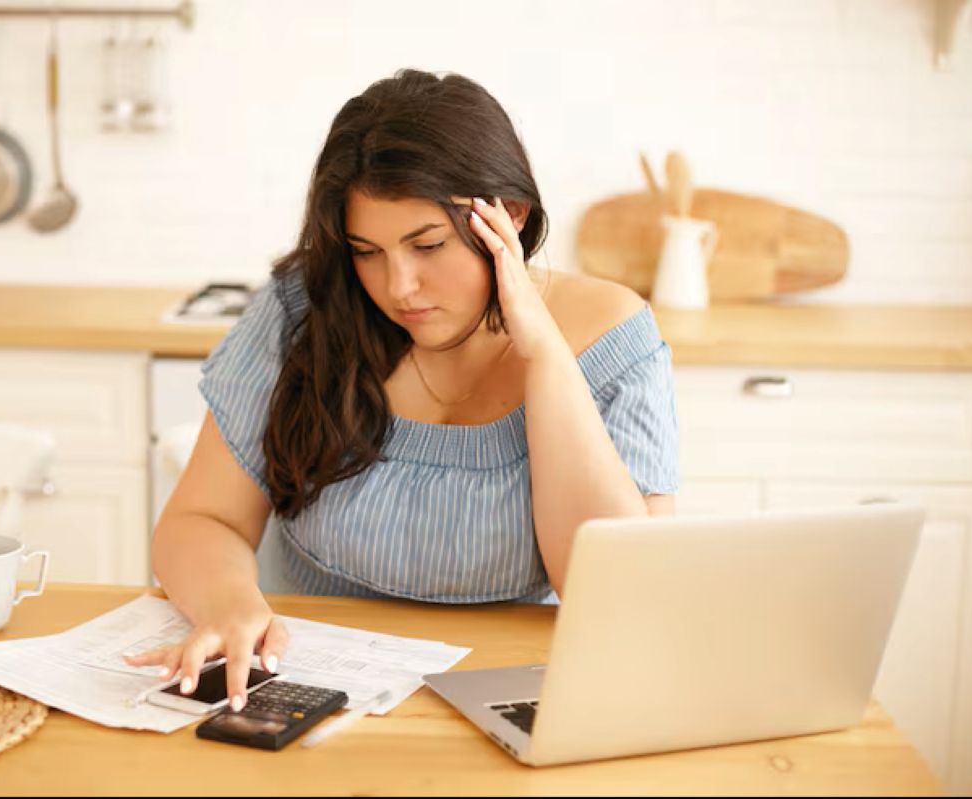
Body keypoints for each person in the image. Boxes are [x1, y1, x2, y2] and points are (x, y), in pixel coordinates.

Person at [126, 69, 680, 710]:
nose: (399, 288)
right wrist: (228, 606)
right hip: (302, 685)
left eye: (428, 244)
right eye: (367, 251)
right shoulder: (307, 309)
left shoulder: (612, 334)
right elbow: (202, 519)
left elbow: (612, 599)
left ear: (509, 215)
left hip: (512, 694)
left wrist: (546, 356)